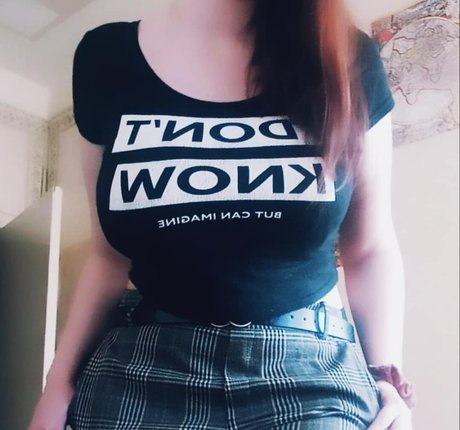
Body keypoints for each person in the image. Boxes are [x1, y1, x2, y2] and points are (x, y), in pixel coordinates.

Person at [28, 1, 415, 429]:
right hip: (141, 366)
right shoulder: (105, 57)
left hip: (311, 372)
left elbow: (369, 247)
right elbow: (107, 256)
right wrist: (57, 386)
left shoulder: (345, 55)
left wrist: (387, 379)